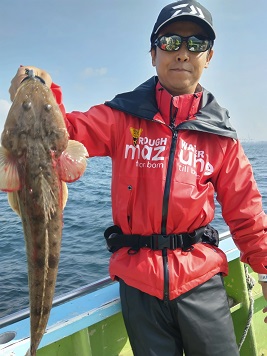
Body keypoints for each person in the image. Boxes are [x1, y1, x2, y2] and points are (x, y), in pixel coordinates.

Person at [9, 1, 267, 355]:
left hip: (201, 281)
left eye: (196, 44)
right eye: (170, 41)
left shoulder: (221, 136)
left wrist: (265, 272)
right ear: (152, 52)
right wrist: (41, 91)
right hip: (138, 284)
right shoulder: (120, 117)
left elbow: (247, 214)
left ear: (209, 57)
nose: (182, 53)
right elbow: (60, 133)